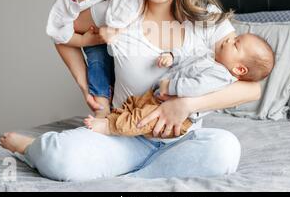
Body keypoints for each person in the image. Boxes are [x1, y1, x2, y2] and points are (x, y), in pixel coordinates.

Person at [0, 0, 262, 181]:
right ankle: (31, 148)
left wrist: (185, 105)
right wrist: (85, 85)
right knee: (61, 157)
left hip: (183, 137)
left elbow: (252, 88)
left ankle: (128, 179)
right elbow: (62, 36)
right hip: (123, 134)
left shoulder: (207, 19)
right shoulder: (116, 12)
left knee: (225, 149)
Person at [84, 33, 275, 138]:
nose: (229, 39)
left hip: (173, 112)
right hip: (155, 95)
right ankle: (112, 117)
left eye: (235, 44)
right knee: (133, 104)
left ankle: (109, 127)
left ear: (239, 70)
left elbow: (196, 87)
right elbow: (190, 53)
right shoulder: (210, 56)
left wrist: (171, 86)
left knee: (141, 118)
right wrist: (173, 56)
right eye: (234, 37)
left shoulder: (221, 75)